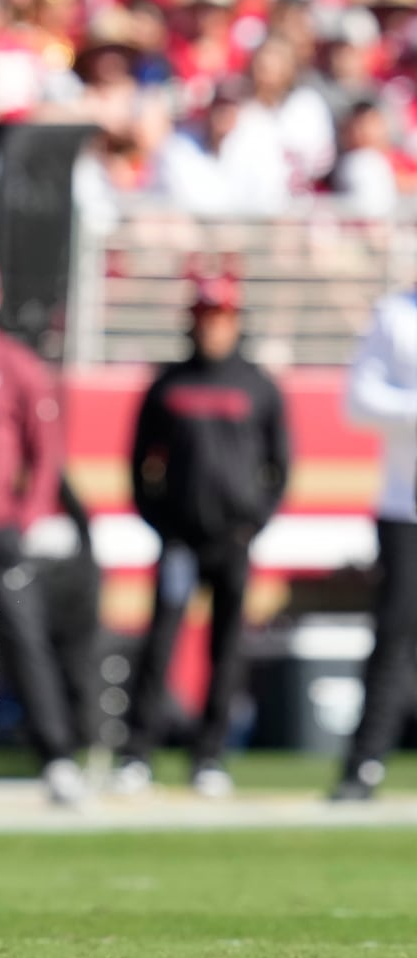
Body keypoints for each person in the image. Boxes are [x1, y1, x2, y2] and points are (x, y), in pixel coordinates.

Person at [114, 276, 290, 799]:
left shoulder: (259, 385)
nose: (212, 328)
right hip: (179, 541)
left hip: (233, 542)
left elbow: (279, 467)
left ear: (234, 322)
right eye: (204, 317)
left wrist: (253, 523)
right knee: (161, 642)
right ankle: (137, 754)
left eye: (221, 318)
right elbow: (139, 462)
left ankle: (209, 755)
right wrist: (158, 521)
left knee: (227, 648)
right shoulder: (168, 385)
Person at [0, 248, 85, 806]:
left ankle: (56, 754)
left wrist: (31, 515)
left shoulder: (16, 366)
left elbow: (46, 455)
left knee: (25, 639)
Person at [332, 284, 417, 801]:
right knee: (394, 636)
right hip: (405, 507)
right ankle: (363, 766)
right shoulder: (396, 316)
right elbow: (358, 401)